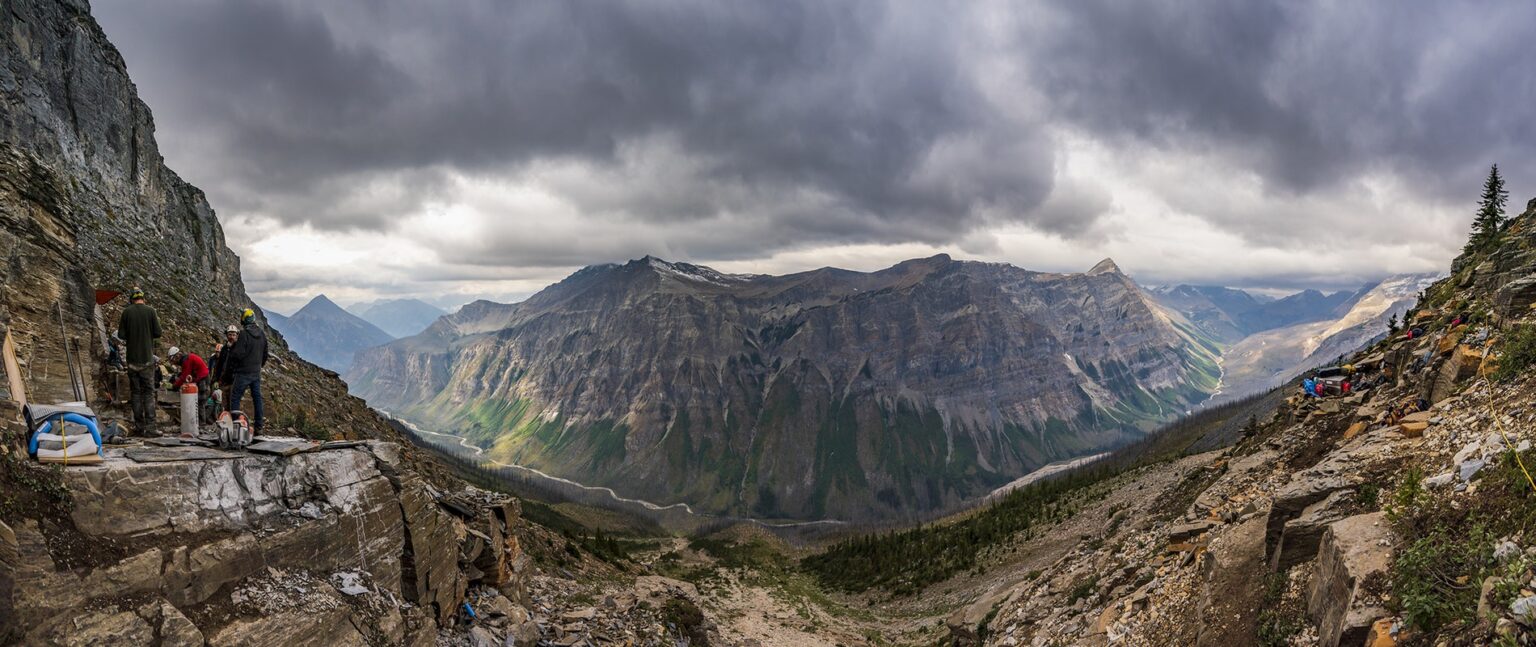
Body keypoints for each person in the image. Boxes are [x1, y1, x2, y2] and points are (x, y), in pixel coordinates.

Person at [116, 287, 161, 435]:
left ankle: (139, 427)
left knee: (135, 393)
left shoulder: (127, 312)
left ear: (132, 299)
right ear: (143, 298)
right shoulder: (151, 311)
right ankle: (151, 428)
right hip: (147, 361)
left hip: (132, 362)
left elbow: (121, 335)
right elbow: (158, 333)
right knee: (148, 393)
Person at [225, 309, 270, 433]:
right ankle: (259, 427)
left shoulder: (244, 334)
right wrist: (259, 366)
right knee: (257, 398)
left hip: (243, 372)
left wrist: (232, 354)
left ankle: (236, 426)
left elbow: (237, 354)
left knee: (235, 397)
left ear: (243, 319)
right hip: (256, 372)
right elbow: (265, 353)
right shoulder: (261, 334)